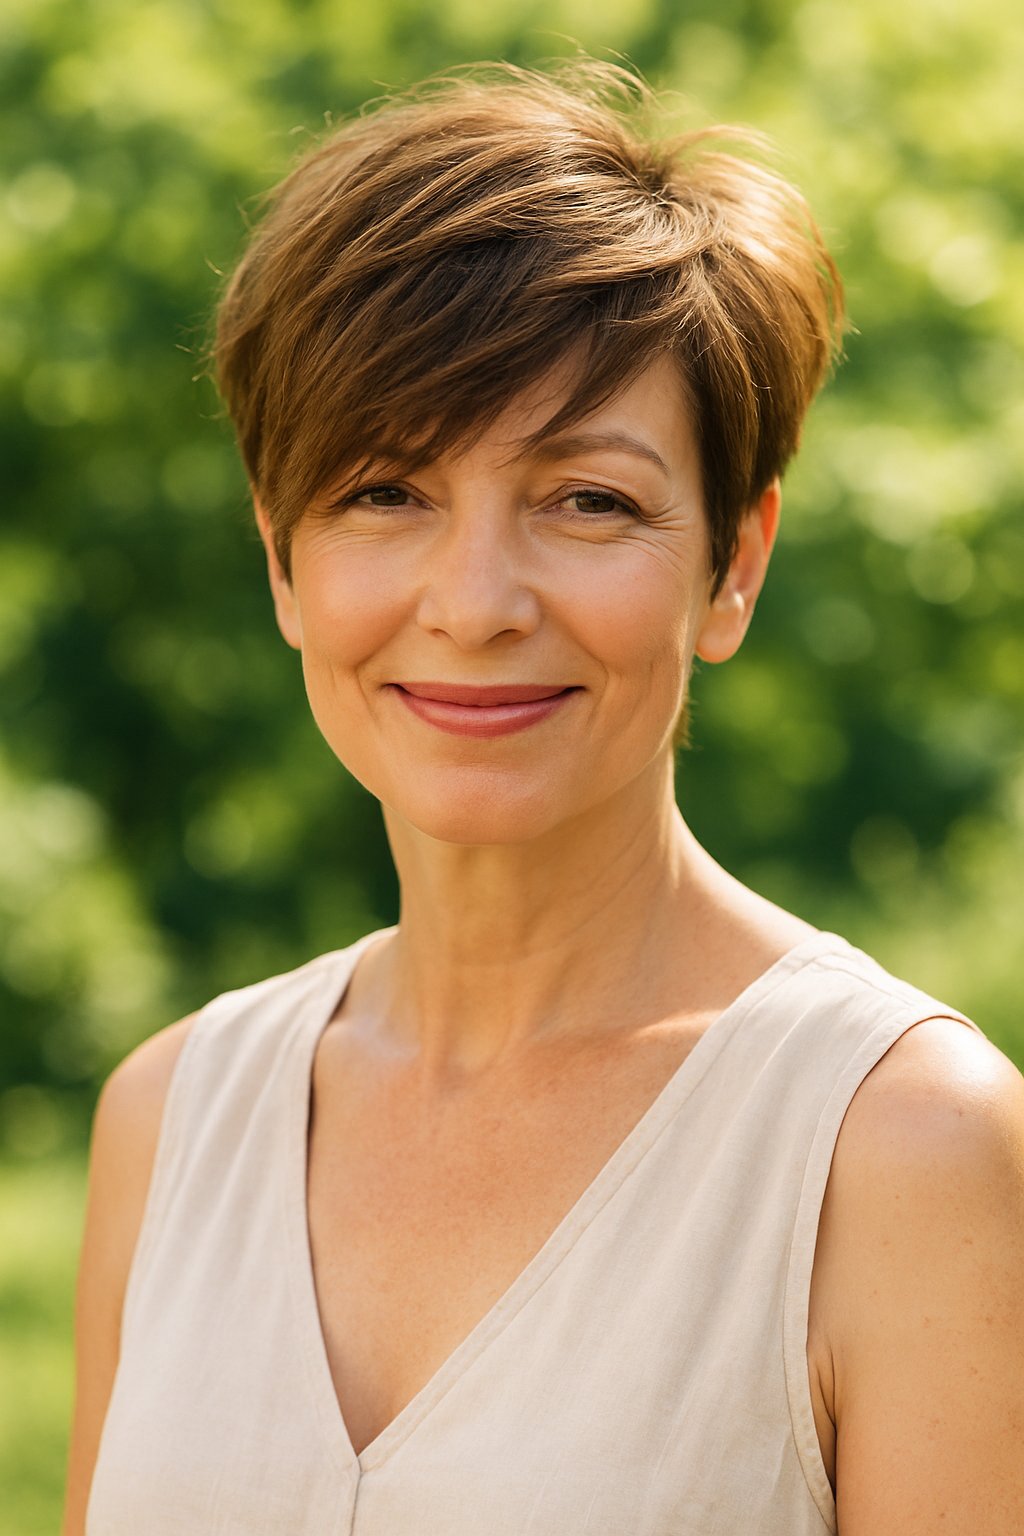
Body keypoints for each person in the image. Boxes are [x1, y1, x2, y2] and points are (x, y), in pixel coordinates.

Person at [64, 60, 1024, 1536]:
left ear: (736, 564)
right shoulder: (174, 1112)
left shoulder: (905, 1149)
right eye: (383, 492)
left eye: (589, 500)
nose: (476, 602)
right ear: (281, 560)